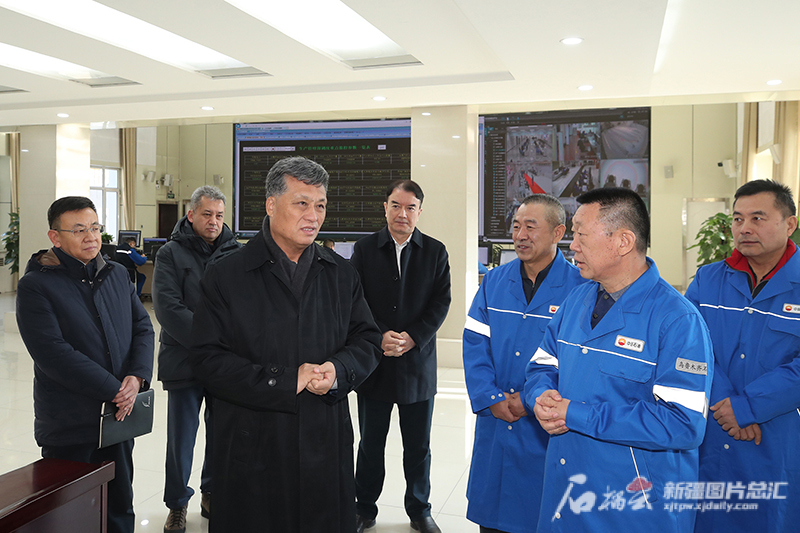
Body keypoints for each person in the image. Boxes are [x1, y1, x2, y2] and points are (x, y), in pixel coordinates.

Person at [188, 156, 382, 532]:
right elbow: (207, 359)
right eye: (301, 203)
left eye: (320, 205)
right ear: (271, 204)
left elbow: (367, 339)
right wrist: (284, 379)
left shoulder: (341, 274)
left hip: (324, 441)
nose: (313, 216)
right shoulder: (228, 274)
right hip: (252, 443)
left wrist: (339, 369)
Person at [524, 188, 713, 532]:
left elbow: (683, 423)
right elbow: (543, 364)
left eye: (581, 234)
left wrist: (576, 413)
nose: (572, 245)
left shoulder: (678, 321)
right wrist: (540, 396)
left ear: (623, 241)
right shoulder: (576, 300)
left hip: (632, 509)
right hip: (566, 493)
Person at [16, 196, 154, 533]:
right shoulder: (37, 285)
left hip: (118, 419)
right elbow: (53, 354)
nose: (91, 237)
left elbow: (142, 327)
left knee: (119, 505)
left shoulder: (116, 274)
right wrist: (116, 389)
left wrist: (136, 377)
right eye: (79, 230)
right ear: (55, 237)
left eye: (95, 227)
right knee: (71, 514)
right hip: (70, 421)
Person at [463, 194, 586, 533]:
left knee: (540, 512)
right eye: (516, 226)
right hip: (496, 418)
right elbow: (475, 343)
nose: (520, 235)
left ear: (558, 232)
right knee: (493, 514)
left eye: (531, 227)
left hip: (545, 425)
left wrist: (529, 400)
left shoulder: (580, 289)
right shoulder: (494, 282)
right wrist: (491, 397)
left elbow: (579, 360)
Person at [686, 180, 800, 532]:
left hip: (776, 434)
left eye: (757, 218)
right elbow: (686, 346)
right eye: (737, 219)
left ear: (789, 224)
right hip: (711, 429)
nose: (744, 228)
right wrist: (726, 402)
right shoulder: (708, 280)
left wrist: (748, 406)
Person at [352, 179, 451, 533]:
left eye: (410, 207)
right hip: (374, 365)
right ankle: (363, 509)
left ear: (420, 212)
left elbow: (441, 302)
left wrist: (413, 337)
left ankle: (419, 510)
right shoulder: (364, 250)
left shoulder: (435, 251)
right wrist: (379, 335)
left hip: (417, 365)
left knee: (418, 447)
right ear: (385, 208)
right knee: (370, 444)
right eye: (396, 205)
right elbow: (356, 299)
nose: (402, 214)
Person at [153, 185, 241, 532]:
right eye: (207, 214)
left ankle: (211, 492)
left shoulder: (236, 253)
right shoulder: (170, 253)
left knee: (221, 435)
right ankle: (177, 503)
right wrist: (209, 342)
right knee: (181, 440)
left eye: (219, 215)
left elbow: (244, 306)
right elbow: (167, 307)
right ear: (191, 215)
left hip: (224, 363)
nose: (214, 221)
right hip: (184, 360)